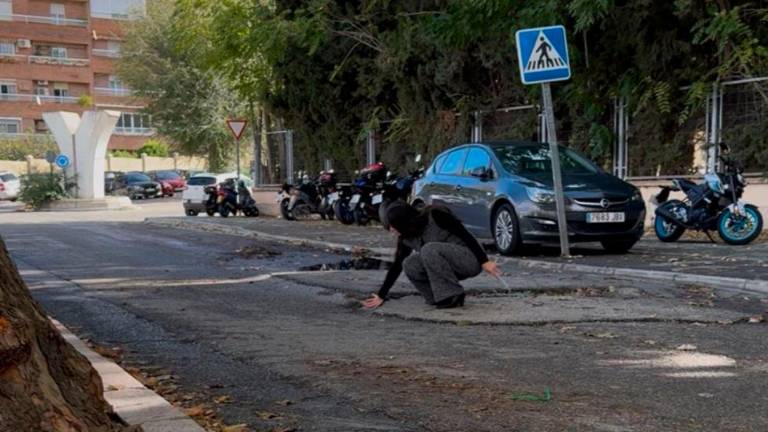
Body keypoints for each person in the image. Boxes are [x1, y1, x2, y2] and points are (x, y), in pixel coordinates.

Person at [362, 203, 501, 309]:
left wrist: (484, 261)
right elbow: (397, 266)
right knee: (409, 264)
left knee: (429, 249)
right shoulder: (406, 237)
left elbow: (465, 235)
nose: (391, 230)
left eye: (393, 226)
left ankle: (453, 295)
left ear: (404, 222)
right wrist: (381, 295)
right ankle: (437, 297)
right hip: (443, 263)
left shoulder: (435, 215)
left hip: (469, 259)